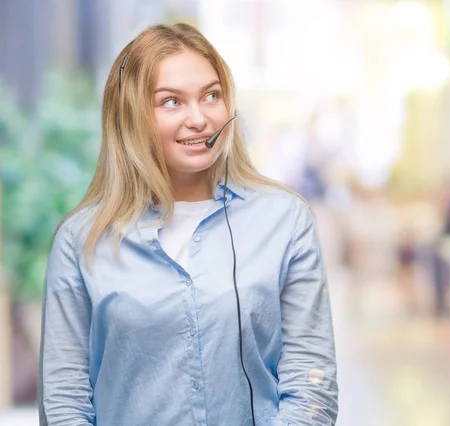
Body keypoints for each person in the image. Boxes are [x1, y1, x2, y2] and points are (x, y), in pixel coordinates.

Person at [38, 23, 338, 426]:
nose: (199, 118)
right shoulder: (81, 241)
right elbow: (64, 402)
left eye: (211, 96)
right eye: (171, 102)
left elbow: (311, 383)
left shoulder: (285, 221)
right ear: (132, 116)